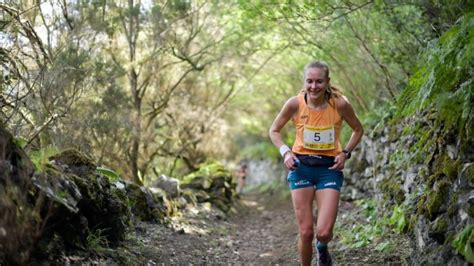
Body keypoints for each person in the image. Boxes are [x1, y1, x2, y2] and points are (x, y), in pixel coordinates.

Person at [269, 61, 363, 266]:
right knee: (306, 232)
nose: (313, 86)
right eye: (309, 81)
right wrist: (285, 153)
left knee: (324, 232)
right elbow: (274, 130)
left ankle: (322, 247)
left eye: (319, 81)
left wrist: (345, 153)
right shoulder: (294, 103)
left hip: (329, 170)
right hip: (300, 168)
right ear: (304, 82)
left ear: (327, 82)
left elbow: (358, 129)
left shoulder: (340, 104)